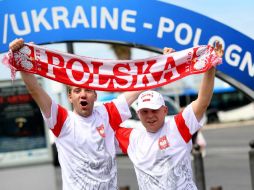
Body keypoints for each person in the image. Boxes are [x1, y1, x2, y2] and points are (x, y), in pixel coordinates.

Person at [9, 38, 142, 190]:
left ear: (95, 96)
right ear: (70, 97)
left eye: (88, 90)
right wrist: (21, 60)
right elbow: (35, 90)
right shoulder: (61, 120)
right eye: (77, 91)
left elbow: (136, 90)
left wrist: (167, 64)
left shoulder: (106, 113)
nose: (83, 95)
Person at [111, 42, 224, 189]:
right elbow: (106, 118)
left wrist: (211, 66)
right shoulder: (131, 138)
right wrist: (159, 68)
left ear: (164, 110)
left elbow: (202, 101)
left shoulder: (178, 126)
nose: (150, 116)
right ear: (138, 114)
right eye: (145, 111)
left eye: (154, 110)